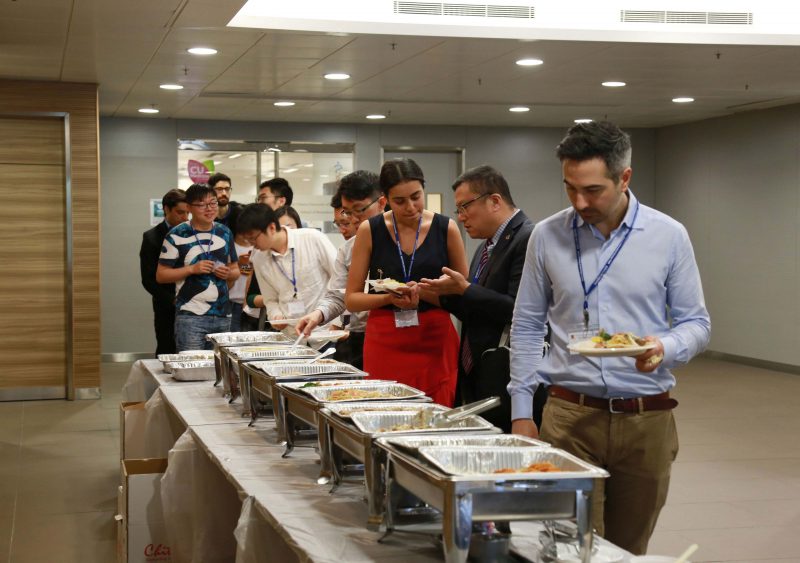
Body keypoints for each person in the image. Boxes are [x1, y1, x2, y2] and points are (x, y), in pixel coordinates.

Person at [508, 121, 711, 554]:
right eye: (570, 188)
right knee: (570, 546)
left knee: (628, 547)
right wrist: (522, 410)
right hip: (569, 415)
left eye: (594, 190)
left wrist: (664, 347)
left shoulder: (668, 236)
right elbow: (526, 325)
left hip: (646, 421)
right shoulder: (547, 235)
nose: (580, 202)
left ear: (625, 178)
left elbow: (696, 323)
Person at [419, 165, 541, 431]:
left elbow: (518, 310)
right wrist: (437, 296)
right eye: (458, 210)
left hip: (508, 371)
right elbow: (477, 308)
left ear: (495, 201)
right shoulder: (487, 245)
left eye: (465, 207)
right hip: (480, 370)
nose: (461, 217)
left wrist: (464, 289)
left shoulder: (528, 238)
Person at [345, 158, 468, 406]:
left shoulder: (447, 228)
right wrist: (389, 298)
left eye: (416, 196)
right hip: (386, 337)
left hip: (434, 337)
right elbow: (352, 299)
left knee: (437, 413)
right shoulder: (370, 230)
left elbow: (464, 294)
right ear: (385, 200)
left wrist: (424, 293)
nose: (411, 207)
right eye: (400, 201)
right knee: (386, 412)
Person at [296, 171, 386, 369]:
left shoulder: (399, 242)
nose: (353, 219)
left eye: (359, 210)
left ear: (381, 203)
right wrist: (318, 315)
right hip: (360, 335)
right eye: (347, 212)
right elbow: (337, 296)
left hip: (395, 333)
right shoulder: (347, 249)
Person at [156, 183, 240, 351]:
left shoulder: (225, 232)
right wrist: (191, 269)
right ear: (189, 207)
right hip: (191, 316)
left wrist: (228, 273)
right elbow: (161, 275)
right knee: (194, 370)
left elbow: (236, 269)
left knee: (220, 370)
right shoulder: (177, 234)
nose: (209, 209)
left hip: (223, 314)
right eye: (202, 205)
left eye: (213, 203)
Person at [238, 204, 336, 333]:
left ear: (272, 228)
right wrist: (276, 316)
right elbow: (270, 299)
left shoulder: (312, 238)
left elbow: (340, 279)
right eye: (247, 240)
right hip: (292, 336)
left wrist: (338, 323)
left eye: (253, 239)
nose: (252, 245)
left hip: (325, 331)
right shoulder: (259, 259)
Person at [139, 189, 188, 355]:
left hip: (193, 303)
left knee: (190, 349)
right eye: (180, 212)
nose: (185, 218)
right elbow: (148, 279)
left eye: (188, 213)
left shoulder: (193, 234)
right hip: (166, 305)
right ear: (166, 209)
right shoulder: (152, 238)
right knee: (167, 347)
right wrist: (172, 300)